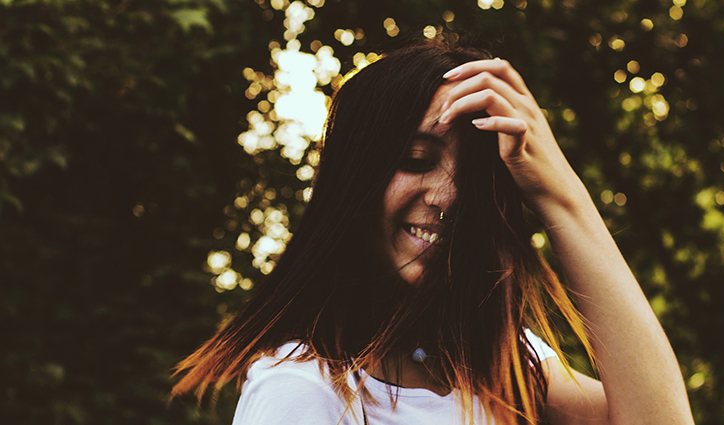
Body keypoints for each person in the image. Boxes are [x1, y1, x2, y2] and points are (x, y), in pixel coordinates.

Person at [172, 42, 694, 424]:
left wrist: (561, 195)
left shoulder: (503, 367)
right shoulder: (304, 393)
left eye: (473, 174)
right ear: (353, 184)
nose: (448, 195)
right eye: (415, 160)